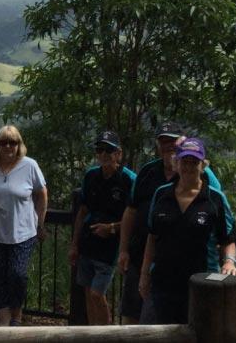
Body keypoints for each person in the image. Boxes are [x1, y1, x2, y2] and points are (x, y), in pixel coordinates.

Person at [117, 122, 223, 324]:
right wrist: (123, 250)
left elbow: (218, 213)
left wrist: (226, 259)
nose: (168, 145)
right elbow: (131, 210)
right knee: (132, 317)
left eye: (172, 141)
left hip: (186, 269)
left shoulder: (204, 177)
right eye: (163, 141)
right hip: (142, 257)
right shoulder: (148, 172)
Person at [140, 137, 236, 324]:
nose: (189, 167)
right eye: (185, 161)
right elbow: (152, 237)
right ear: (177, 163)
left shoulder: (214, 199)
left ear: (203, 166)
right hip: (163, 283)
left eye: (194, 162)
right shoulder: (161, 195)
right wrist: (145, 275)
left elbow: (228, 238)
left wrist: (229, 262)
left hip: (202, 284)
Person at [0, 125, 47, 326]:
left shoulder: (29, 165)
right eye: (3, 142)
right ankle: (4, 322)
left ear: (19, 145)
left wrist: (40, 222)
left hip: (24, 233)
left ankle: (16, 317)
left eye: (13, 142)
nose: (8, 146)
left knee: (17, 275)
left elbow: (42, 193)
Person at [69, 131, 135, 325]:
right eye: (100, 150)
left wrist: (112, 228)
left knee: (98, 293)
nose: (104, 154)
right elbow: (82, 211)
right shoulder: (91, 176)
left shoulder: (129, 180)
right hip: (88, 244)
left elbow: (136, 218)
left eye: (109, 150)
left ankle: (106, 334)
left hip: (111, 248)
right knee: (89, 292)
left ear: (119, 153)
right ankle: (93, 333)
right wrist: (74, 244)